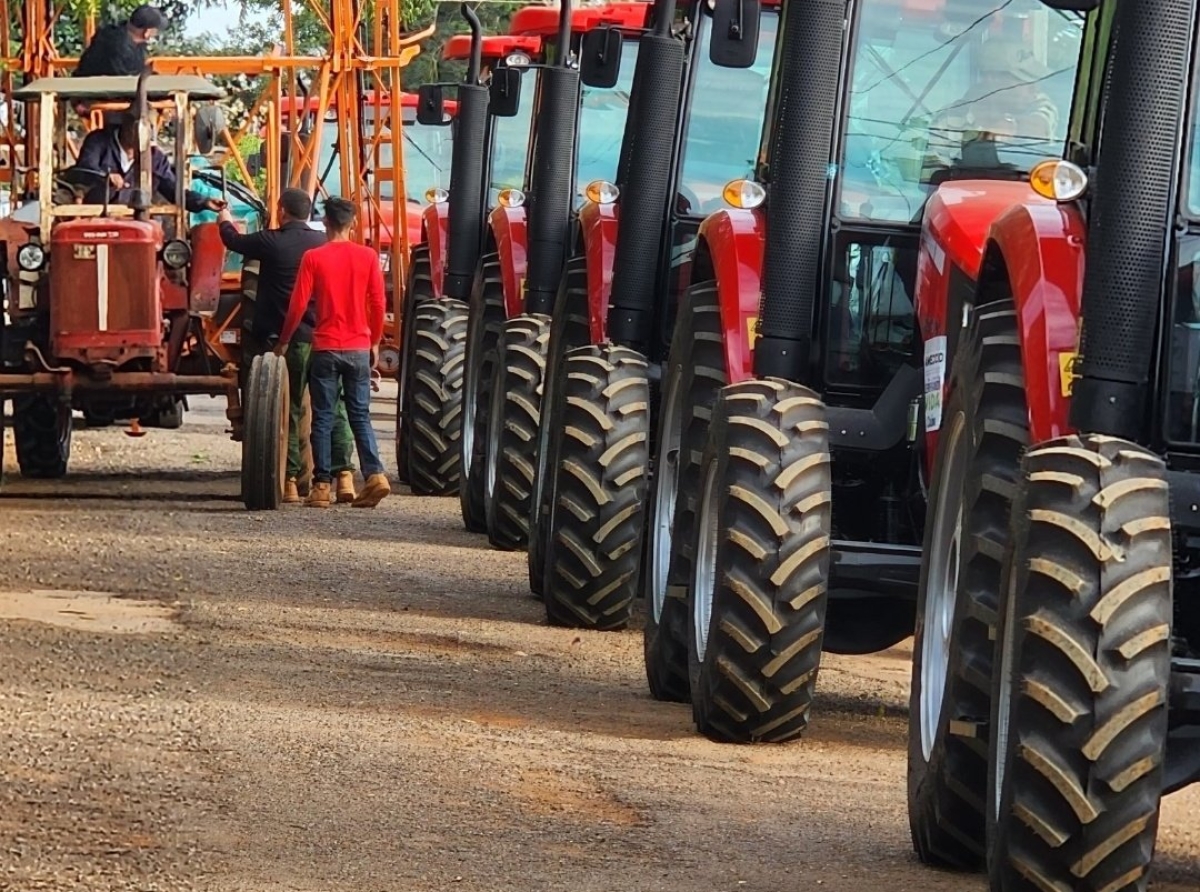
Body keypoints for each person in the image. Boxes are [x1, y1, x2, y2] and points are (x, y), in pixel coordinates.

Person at [217, 189, 359, 505]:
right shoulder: (321, 245)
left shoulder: (270, 241)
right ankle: (345, 476)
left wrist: (224, 219)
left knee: (291, 408)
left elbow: (234, 242)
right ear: (310, 213)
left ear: (281, 211)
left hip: (286, 339)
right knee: (333, 406)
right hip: (324, 338)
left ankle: (291, 481)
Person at [277, 197, 390, 509]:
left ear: (325, 222)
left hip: (325, 347)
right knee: (360, 415)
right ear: (352, 224)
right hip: (358, 348)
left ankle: (322, 487)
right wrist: (375, 341)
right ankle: (374, 476)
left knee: (323, 417)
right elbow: (379, 304)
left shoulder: (314, 258)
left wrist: (285, 340)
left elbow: (298, 305)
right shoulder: (368, 257)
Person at [923, 38, 1061, 178]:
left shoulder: (1037, 102)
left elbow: (1039, 126)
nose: (1035, 89)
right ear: (991, 78)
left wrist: (1012, 126)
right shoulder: (948, 120)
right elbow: (932, 180)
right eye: (1023, 79)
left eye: (1035, 81)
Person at [73, 116, 225, 214]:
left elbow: (173, 190)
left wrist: (203, 202)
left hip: (136, 221)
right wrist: (105, 177)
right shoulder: (98, 141)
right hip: (95, 218)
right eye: (138, 129)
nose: (141, 136)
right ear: (126, 126)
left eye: (146, 131)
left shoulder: (155, 157)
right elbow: (85, 171)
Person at [75, 5, 165, 78]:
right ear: (147, 32)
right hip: (97, 96)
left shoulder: (109, 32)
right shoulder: (123, 49)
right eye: (155, 31)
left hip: (81, 89)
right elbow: (130, 82)